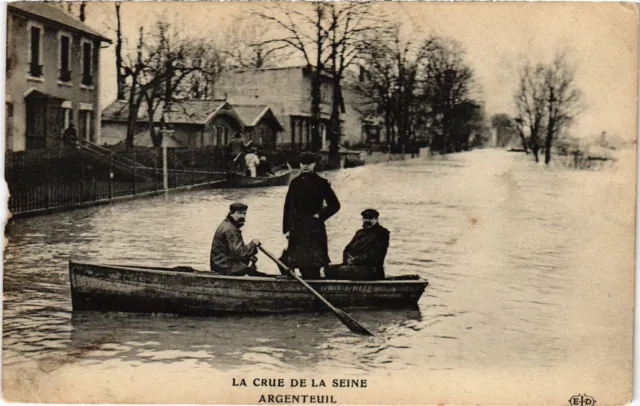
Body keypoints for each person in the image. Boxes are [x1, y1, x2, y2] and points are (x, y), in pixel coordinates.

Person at [282, 152, 341, 279]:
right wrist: (286, 229)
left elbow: (335, 205)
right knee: (294, 263)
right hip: (297, 228)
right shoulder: (295, 183)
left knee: (313, 264)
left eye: (309, 163)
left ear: (314, 164)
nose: (306, 166)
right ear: (300, 164)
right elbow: (288, 207)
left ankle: (314, 289)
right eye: (303, 163)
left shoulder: (322, 183)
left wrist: (319, 216)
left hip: (314, 228)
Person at [325, 209, 390, 280]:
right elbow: (348, 249)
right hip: (354, 266)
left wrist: (356, 260)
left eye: (370, 218)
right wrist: (348, 260)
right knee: (329, 269)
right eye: (365, 218)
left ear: (376, 219)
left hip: (371, 269)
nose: (367, 220)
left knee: (342, 270)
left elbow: (376, 254)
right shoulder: (360, 233)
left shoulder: (382, 233)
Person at [210, 203, 267, 276]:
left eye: (244, 213)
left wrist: (249, 256)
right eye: (239, 213)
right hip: (224, 268)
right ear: (231, 213)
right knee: (257, 275)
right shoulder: (231, 229)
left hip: (221, 265)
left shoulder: (227, 224)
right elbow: (238, 253)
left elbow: (233, 252)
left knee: (253, 271)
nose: (242, 216)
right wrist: (252, 244)